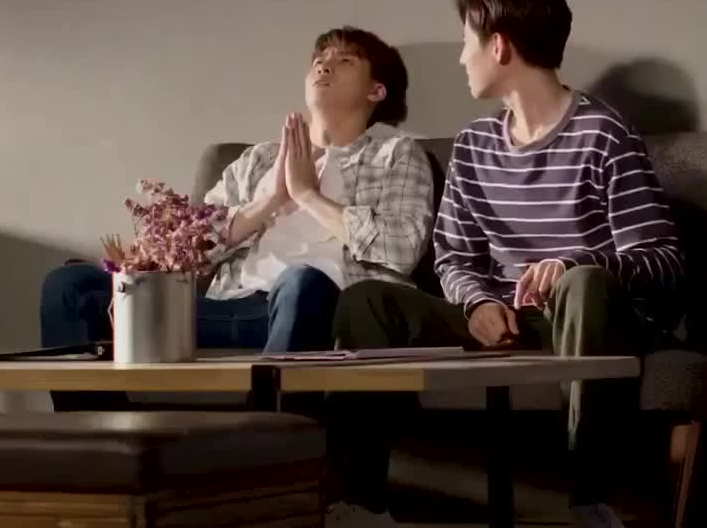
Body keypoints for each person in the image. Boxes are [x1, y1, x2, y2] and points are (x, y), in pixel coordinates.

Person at [330, 0, 684, 528]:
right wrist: (476, 302)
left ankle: (590, 501)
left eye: (466, 41)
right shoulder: (474, 145)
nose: (461, 58)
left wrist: (572, 265)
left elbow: (662, 260)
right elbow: (454, 255)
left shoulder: (605, 134)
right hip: (503, 320)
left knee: (585, 285)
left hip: (586, 321)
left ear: (499, 46)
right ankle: (364, 506)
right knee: (366, 299)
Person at [40, 26, 435, 413]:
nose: (324, 66)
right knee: (69, 286)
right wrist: (268, 200)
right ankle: (98, 435)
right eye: (319, 59)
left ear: (376, 91)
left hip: (315, 309)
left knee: (303, 280)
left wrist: (306, 195)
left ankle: (267, 437)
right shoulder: (258, 160)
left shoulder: (395, 155)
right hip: (229, 306)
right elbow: (185, 253)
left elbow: (401, 249)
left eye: (345, 61)